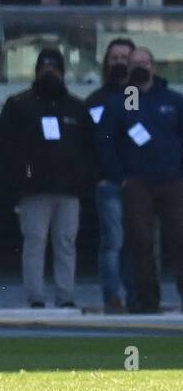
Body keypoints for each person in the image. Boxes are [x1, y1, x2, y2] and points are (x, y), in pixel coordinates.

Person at [0, 49, 92, 309]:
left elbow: (89, 146)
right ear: (36, 71)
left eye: (55, 68)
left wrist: (81, 177)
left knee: (65, 243)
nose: (50, 73)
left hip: (69, 189)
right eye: (45, 67)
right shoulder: (18, 105)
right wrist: (19, 175)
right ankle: (35, 296)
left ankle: (65, 295)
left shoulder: (77, 108)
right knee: (35, 242)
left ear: (62, 71)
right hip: (33, 189)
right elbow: (3, 144)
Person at [96, 47, 183, 314]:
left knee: (180, 239)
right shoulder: (117, 104)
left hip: (173, 180)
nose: (140, 67)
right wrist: (120, 178)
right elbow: (105, 144)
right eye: (135, 63)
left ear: (153, 66)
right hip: (137, 183)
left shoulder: (174, 100)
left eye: (144, 62)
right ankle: (146, 300)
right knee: (140, 242)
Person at [85, 38, 136, 313]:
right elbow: (92, 144)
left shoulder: (143, 99)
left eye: (124, 57)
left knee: (140, 242)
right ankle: (113, 297)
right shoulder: (95, 102)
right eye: (114, 57)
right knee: (113, 242)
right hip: (110, 185)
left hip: (142, 185)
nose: (119, 63)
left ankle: (139, 295)